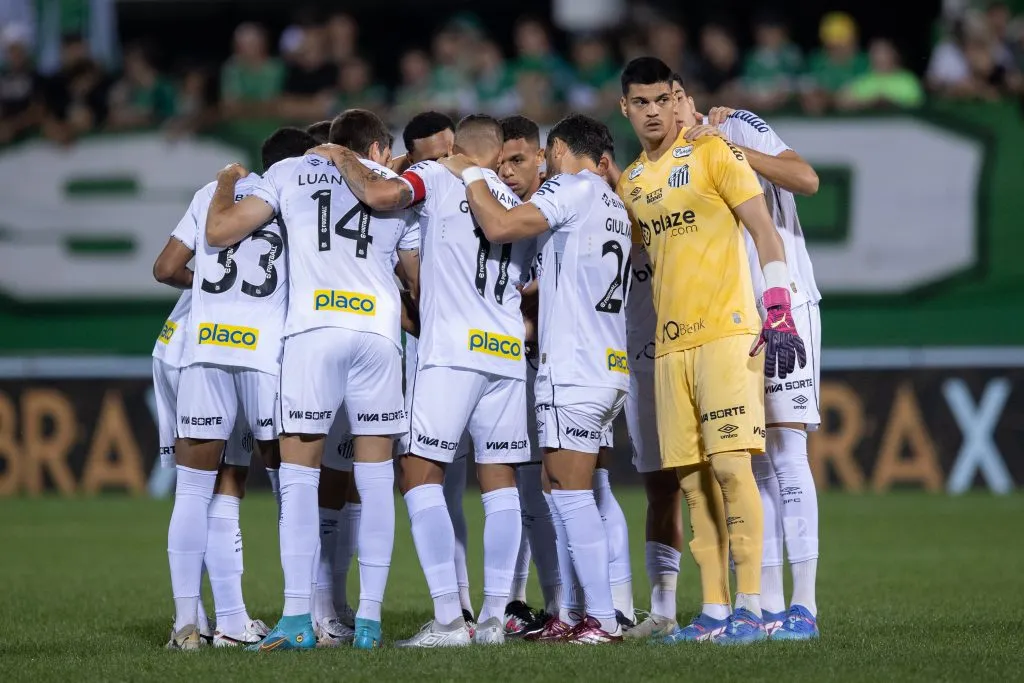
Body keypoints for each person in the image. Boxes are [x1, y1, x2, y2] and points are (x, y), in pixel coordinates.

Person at [311, 114, 533, 647]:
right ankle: (496, 617)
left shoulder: (435, 179)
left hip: (452, 351)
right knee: (499, 480)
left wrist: (342, 156)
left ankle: (450, 620)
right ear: (498, 153)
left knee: (416, 471)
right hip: (506, 352)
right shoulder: (515, 202)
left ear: (456, 148)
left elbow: (384, 195)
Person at [206, 109, 420, 651]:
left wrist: (227, 181)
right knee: (373, 485)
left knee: (299, 481)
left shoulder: (286, 173)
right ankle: (368, 622)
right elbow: (417, 278)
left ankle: (298, 619)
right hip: (377, 336)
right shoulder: (395, 185)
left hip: (312, 333)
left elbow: (221, 230)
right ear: (374, 147)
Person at [616, 57, 806, 645]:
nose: (653, 111)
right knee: (693, 481)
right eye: (640, 103)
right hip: (670, 347)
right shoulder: (630, 183)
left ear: (676, 97)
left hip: (727, 333)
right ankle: (717, 611)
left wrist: (777, 304)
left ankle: (752, 605)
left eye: (661, 99)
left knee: (731, 466)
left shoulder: (714, 152)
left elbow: (764, 229)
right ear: (625, 108)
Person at [439, 112, 632, 644]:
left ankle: (602, 620)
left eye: (546, 154)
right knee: (558, 485)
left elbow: (501, 226)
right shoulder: (613, 202)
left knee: (569, 492)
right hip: (606, 365)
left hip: (577, 368)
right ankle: (573, 615)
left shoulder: (573, 187)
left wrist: (471, 175)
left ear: (562, 150)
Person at [157, 127, 315, 650]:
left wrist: (205, 283)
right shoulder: (302, 197)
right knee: (288, 482)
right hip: (263, 358)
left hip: (205, 351)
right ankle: (302, 613)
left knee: (196, 490)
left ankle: (191, 623)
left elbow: (165, 267)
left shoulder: (213, 193)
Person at [691, 103, 822, 640]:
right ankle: (767, 609)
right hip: (733, 317)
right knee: (752, 460)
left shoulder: (733, 126)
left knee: (788, 451)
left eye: (673, 98)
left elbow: (805, 178)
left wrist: (731, 148)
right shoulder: (679, 162)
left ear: (687, 100)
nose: (669, 111)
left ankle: (805, 607)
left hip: (784, 303)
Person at [495, 115, 561, 637]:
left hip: (562, 364)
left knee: (573, 487)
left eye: (518, 160)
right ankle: (516, 600)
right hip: (516, 362)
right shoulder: (509, 210)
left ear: (541, 157)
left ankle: (575, 602)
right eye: (501, 162)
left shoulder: (557, 206)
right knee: (518, 484)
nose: (509, 171)